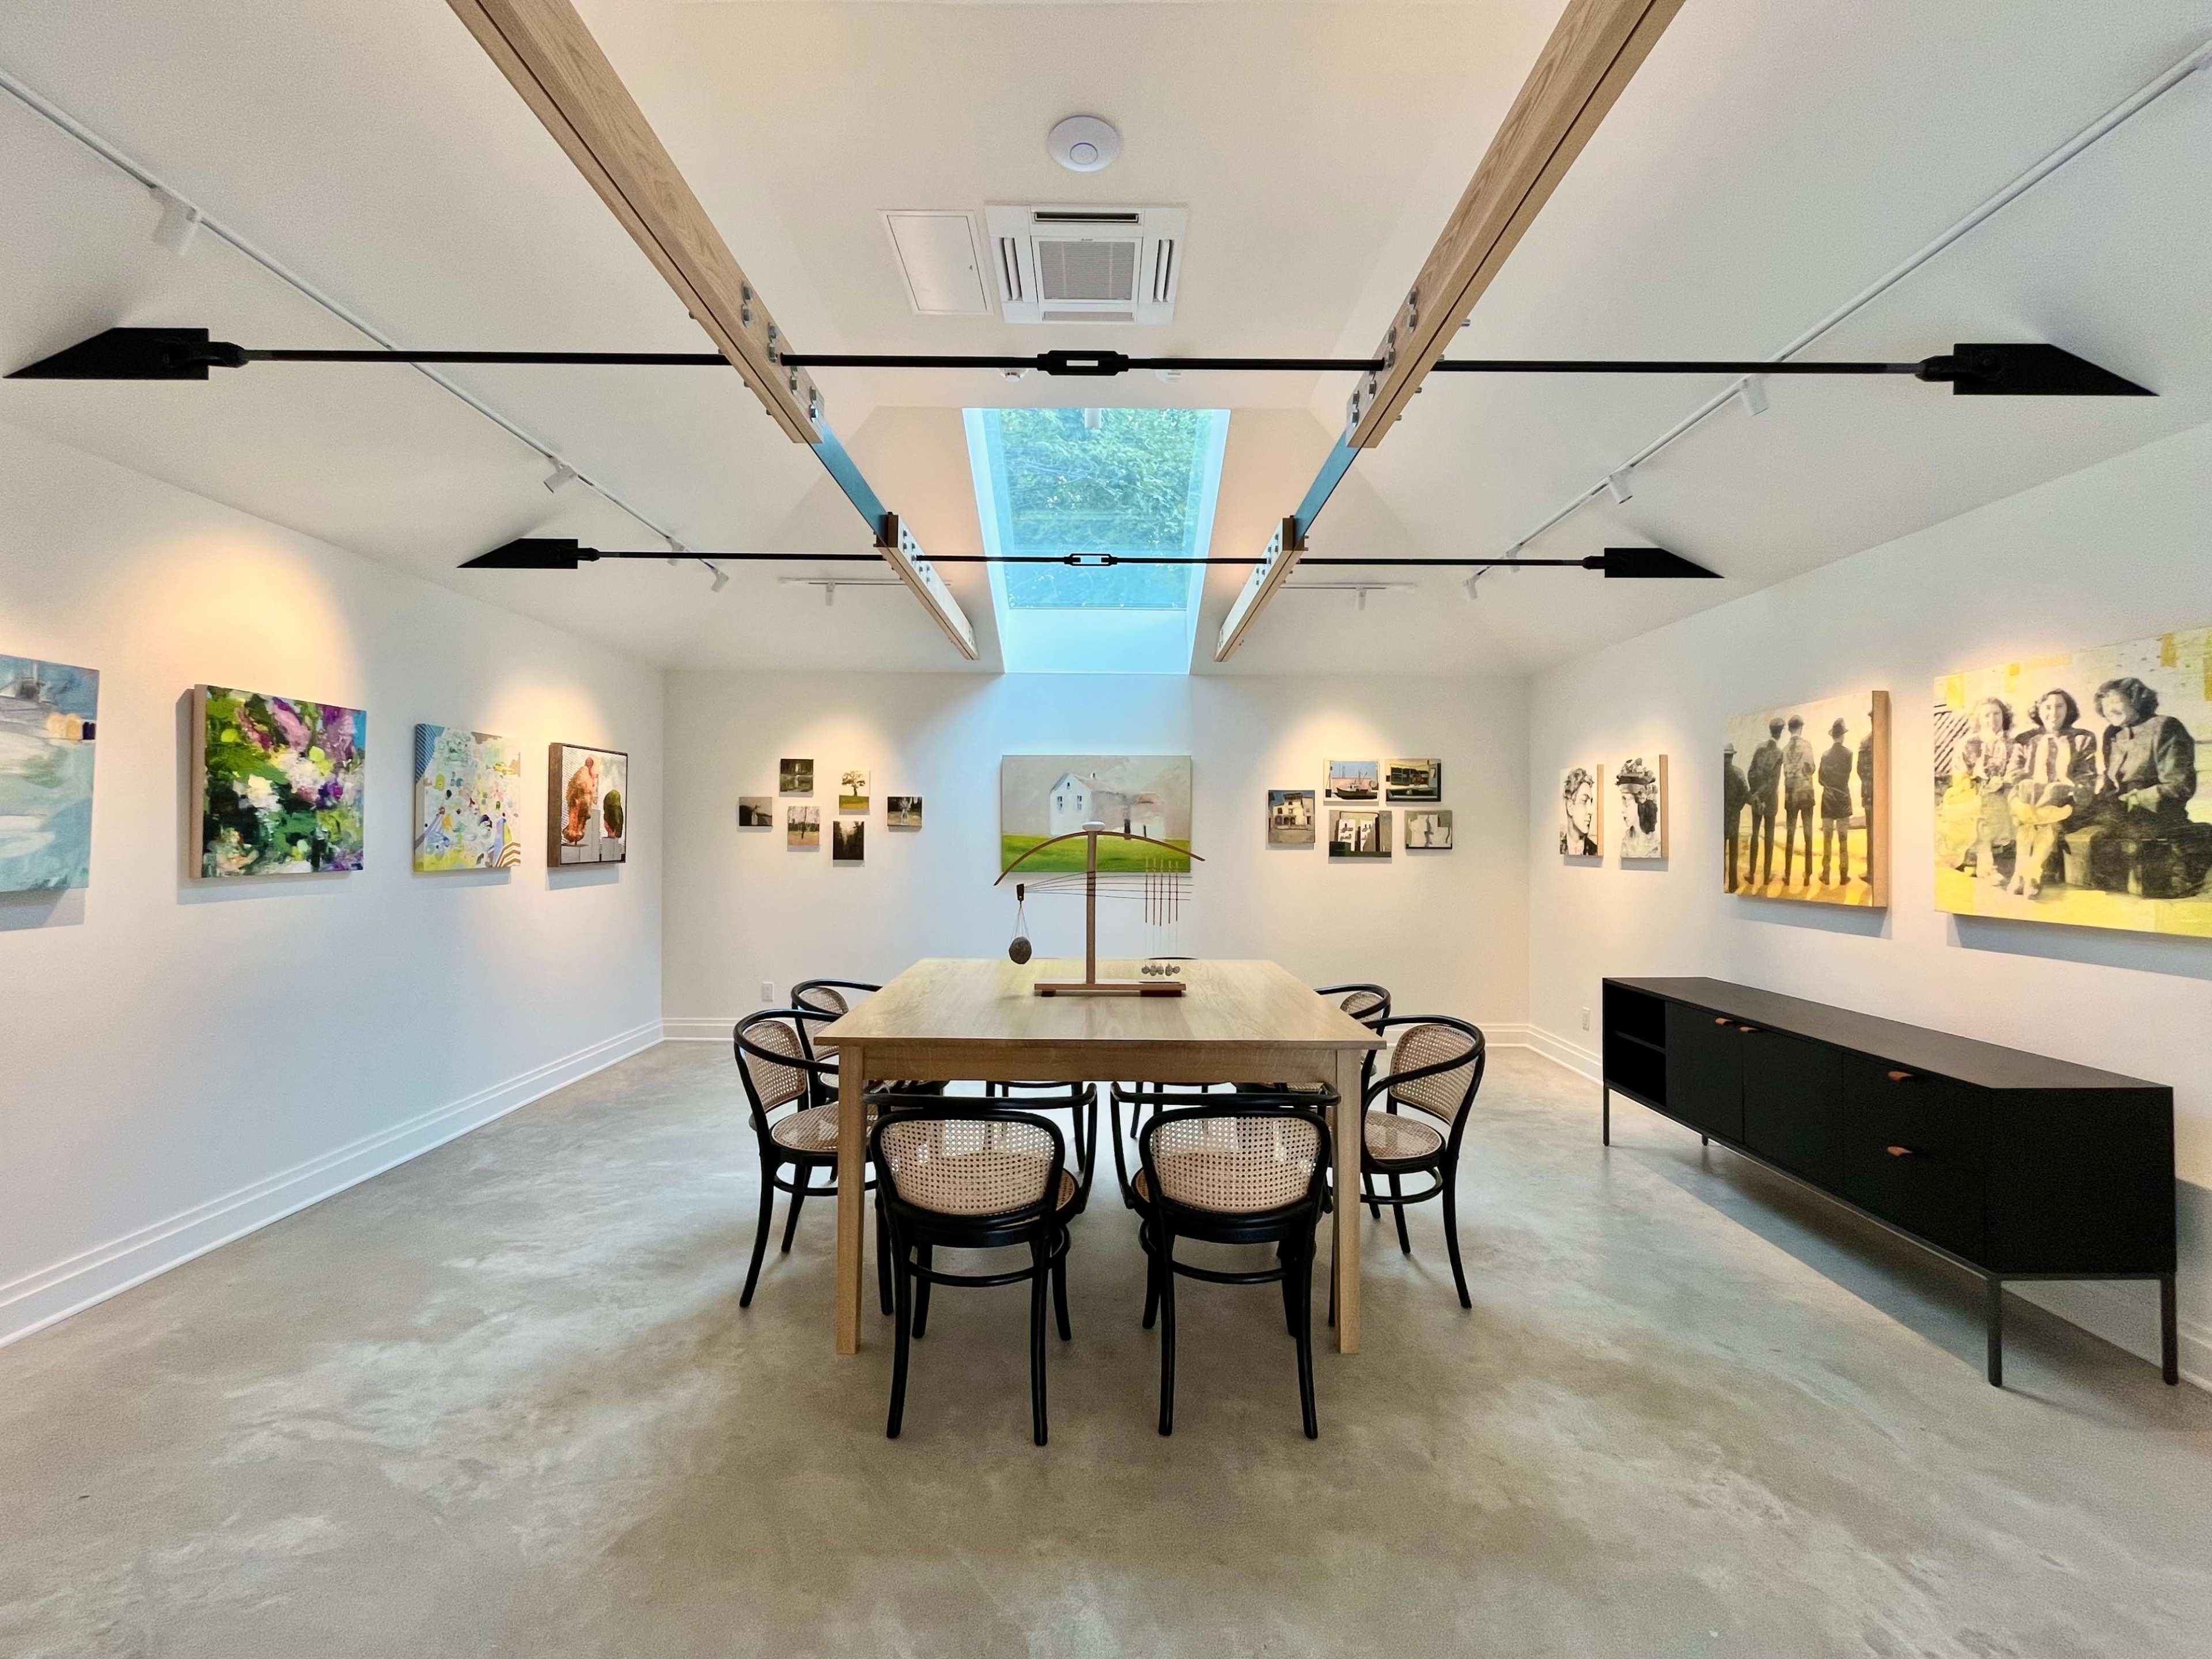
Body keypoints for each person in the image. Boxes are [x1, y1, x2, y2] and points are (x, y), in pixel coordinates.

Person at [2092, 676, 2204, 898]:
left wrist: (2137, 798)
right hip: (2120, 814)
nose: (2109, 709)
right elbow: (2109, 782)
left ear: (2136, 698)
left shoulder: (2165, 726)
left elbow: (2180, 785)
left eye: (2115, 702)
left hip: (2158, 816)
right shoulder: (2112, 734)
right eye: (2105, 705)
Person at [2008, 688, 2099, 896]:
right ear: (2039, 710)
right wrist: (2027, 783)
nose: (2053, 713)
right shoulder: (2025, 739)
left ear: (2069, 711)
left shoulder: (2083, 739)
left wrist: (2066, 789)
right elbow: (2013, 773)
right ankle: (2027, 874)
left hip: (2063, 801)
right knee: (2028, 790)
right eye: (2047, 707)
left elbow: (2087, 777)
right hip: (2026, 801)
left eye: (2060, 707)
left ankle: (2027, 874)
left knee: (2049, 797)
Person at [1955, 697, 2018, 887]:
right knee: (1983, 811)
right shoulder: (1968, 743)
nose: (1993, 719)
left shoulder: (2013, 743)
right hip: (1975, 794)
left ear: (2004, 716)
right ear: (1979, 719)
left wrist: (2005, 782)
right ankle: (1985, 866)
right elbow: (1959, 776)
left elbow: (2018, 770)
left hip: (2006, 793)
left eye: (1997, 714)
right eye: (1987, 715)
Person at [1745, 718, 1783, 888]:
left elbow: (1751, 773)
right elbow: (1774, 782)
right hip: (1770, 801)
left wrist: (1756, 795)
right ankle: (1767, 876)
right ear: (1780, 732)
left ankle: (1752, 874)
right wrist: (1763, 795)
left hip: (1757, 800)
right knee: (1769, 837)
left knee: (1755, 834)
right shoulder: (1779, 753)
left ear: (1770, 730)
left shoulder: (1759, 748)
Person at [1781, 714, 1816, 888]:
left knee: (1790, 835)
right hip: (1806, 794)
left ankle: (1787, 874)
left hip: (1791, 795)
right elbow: (1812, 768)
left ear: (1789, 729)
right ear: (1801, 727)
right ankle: (1808, 874)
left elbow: (1785, 773)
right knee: (1808, 835)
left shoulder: (1785, 750)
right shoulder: (1807, 746)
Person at [1818, 717, 1854, 885]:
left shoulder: (1825, 755)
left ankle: (1826, 875)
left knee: (1827, 838)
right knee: (1843, 839)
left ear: (1833, 736)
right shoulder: (1849, 754)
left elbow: (1820, 779)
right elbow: (1846, 776)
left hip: (1828, 800)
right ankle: (1843, 875)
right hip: (1843, 799)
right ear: (1843, 736)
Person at [1723, 743, 1749, 892]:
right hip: (1733, 819)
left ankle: (1719, 882)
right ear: (1732, 756)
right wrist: (1738, 806)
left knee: (1719, 855)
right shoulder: (1738, 773)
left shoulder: (1715, 774)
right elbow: (1746, 794)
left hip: (1719, 821)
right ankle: (1733, 884)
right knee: (1733, 854)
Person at [1559, 767, 1599, 857]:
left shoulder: (1595, 851)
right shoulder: (1559, 847)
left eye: (1591, 802)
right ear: (1570, 807)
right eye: (1584, 801)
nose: (1591, 811)